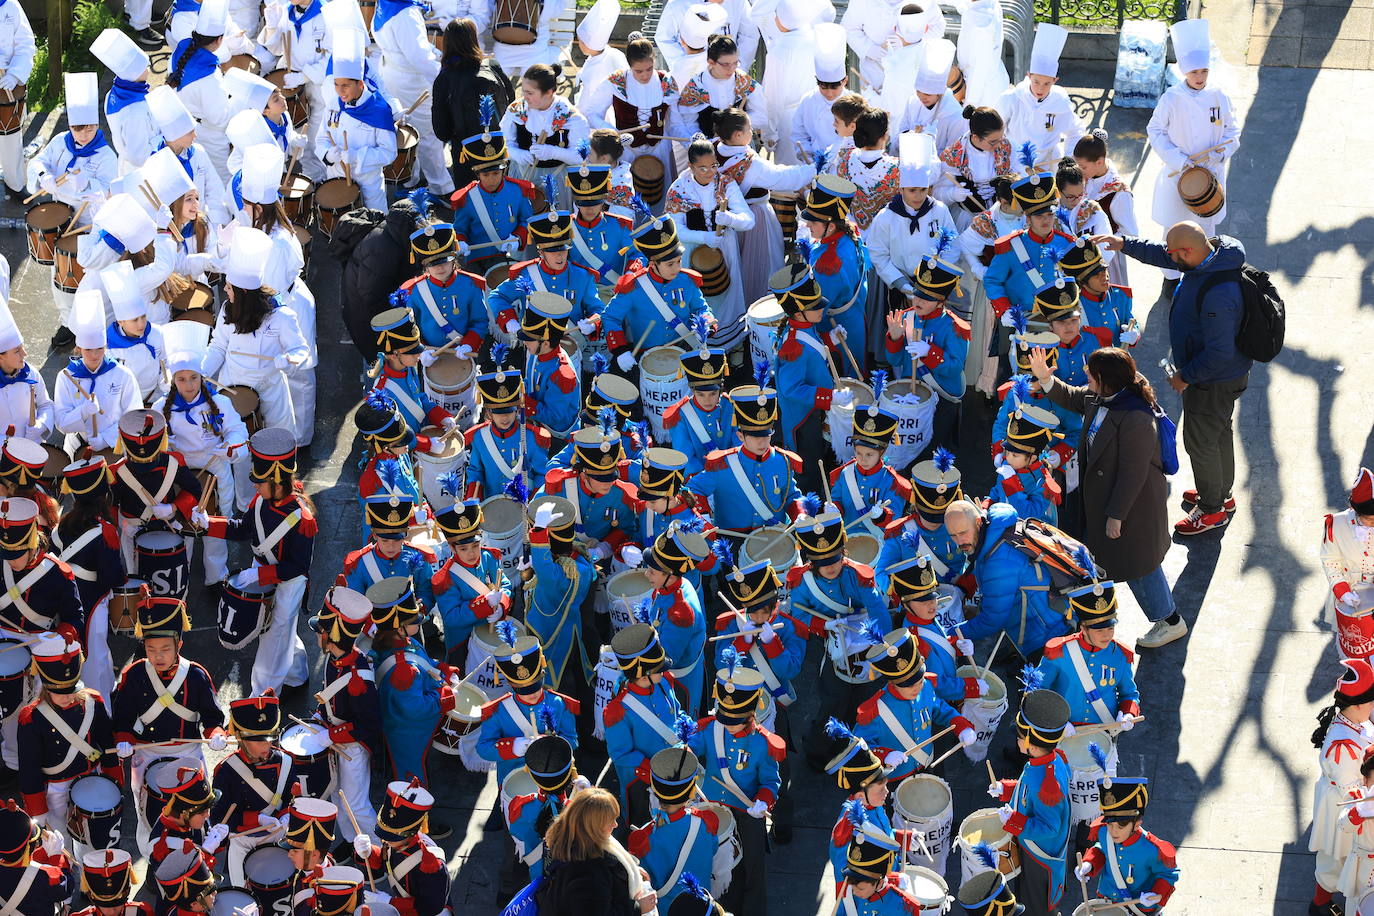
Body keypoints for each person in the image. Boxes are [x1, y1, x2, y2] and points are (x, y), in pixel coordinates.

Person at [1097, 222, 1250, 536]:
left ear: (1189, 252)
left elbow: (1219, 352)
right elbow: (1164, 254)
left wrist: (1185, 377)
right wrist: (1123, 243)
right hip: (1221, 376)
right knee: (1218, 433)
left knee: (1201, 442)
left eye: (1174, 253)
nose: (1169, 256)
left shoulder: (1218, 293)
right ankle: (1220, 494)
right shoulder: (1208, 257)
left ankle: (1210, 511)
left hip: (1211, 380)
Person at [1027, 345, 1183, 647]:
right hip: (1108, 503)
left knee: (1140, 567)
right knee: (1133, 564)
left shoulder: (1136, 419)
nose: (1086, 373)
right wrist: (1046, 379)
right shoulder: (1104, 396)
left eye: (1091, 372)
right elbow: (1073, 397)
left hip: (1131, 509)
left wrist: (1116, 515)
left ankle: (1169, 620)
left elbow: (1132, 473)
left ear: (1105, 379)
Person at [195, 427, 315, 695]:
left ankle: (261, 701)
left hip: (287, 583)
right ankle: (296, 676)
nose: (254, 486)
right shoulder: (260, 501)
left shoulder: (303, 520)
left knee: (272, 641)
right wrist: (209, 524)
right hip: (261, 570)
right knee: (280, 633)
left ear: (276, 479)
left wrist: (260, 576)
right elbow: (242, 528)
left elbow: (297, 567)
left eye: (259, 481)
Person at [111, 596, 227, 854]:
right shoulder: (135, 675)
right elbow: (123, 715)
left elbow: (212, 716)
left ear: (179, 645)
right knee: (145, 816)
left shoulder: (196, 675)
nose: (157, 656)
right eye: (151, 649)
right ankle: (152, 860)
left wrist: (216, 733)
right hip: (146, 752)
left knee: (195, 816)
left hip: (187, 753)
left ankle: (195, 861)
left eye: (164, 649)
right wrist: (122, 736)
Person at [200, 229, 309, 497]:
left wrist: (286, 360)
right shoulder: (228, 310)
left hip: (271, 391)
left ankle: (283, 498)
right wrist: (200, 373)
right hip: (233, 392)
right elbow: (217, 347)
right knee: (239, 451)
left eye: (229, 287)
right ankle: (247, 503)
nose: (225, 291)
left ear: (244, 293)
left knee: (278, 448)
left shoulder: (281, 316)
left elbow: (300, 349)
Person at [786, 505, 889, 769]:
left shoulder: (858, 575)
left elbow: (878, 609)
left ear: (843, 553)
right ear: (811, 560)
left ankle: (856, 748)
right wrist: (822, 624)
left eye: (834, 559)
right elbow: (798, 612)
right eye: (822, 562)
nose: (829, 567)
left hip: (866, 644)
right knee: (833, 700)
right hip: (832, 643)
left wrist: (882, 643)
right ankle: (819, 750)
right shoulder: (802, 581)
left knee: (866, 699)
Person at [1145, 18, 1239, 285]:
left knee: (1205, 229)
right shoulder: (1172, 98)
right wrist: (1179, 160)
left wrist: (1221, 154)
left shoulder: (1219, 96)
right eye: (1195, 72)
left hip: (1210, 174)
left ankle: (1203, 273)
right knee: (1174, 228)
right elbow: (1155, 130)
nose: (1200, 78)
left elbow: (1233, 131)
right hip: (1180, 174)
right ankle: (1171, 278)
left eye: (1204, 72)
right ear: (1185, 72)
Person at [686, 665, 781, 915]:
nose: (728, 725)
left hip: (747, 811)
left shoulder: (763, 743)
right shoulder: (711, 728)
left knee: (752, 869)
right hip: (714, 810)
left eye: (735, 720)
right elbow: (692, 745)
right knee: (716, 868)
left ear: (750, 714)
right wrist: (684, 751)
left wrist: (763, 801)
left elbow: (771, 782)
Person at [16, 633, 119, 858]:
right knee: (58, 844)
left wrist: (114, 780)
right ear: (45, 685)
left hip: (91, 780)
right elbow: (30, 768)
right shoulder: (31, 718)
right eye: (59, 692)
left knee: (93, 841)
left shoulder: (93, 701)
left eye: (71, 690)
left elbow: (107, 743)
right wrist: (37, 809)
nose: (67, 697)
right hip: (55, 790)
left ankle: (91, 882)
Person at [945, 498, 1070, 659]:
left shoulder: (998, 561)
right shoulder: (996, 532)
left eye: (963, 533)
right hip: (1053, 619)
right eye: (953, 536)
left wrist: (953, 633)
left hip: (1045, 637)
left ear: (978, 523)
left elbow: (992, 620)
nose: (959, 542)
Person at [988, 686, 1073, 916]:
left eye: (1019, 737)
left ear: (1032, 745)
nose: (1017, 740)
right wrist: (1005, 789)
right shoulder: (1050, 761)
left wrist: (1014, 821)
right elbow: (1028, 792)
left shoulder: (1048, 782)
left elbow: (1049, 827)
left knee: (1034, 905)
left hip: (1039, 854)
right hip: (1032, 845)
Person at [664, 137, 754, 353]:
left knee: (728, 295)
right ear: (691, 166)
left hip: (725, 249)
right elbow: (674, 230)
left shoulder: (726, 183)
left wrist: (730, 219)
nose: (709, 172)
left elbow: (749, 220)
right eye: (702, 168)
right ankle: (701, 346)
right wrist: (704, 238)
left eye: (713, 165)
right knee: (698, 299)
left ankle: (733, 347)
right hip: (692, 252)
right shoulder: (679, 190)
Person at [854, 628, 977, 782]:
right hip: (895, 777)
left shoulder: (926, 686)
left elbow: (939, 708)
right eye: (908, 685)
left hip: (927, 762)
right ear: (893, 683)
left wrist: (961, 725)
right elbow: (860, 748)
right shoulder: (875, 711)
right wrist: (884, 755)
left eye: (919, 682)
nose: (917, 688)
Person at [882, 241, 969, 457]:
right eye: (917, 293)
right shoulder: (906, 318)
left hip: (942, 396)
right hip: (912, 397)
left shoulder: (955, 327)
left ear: (941, 301)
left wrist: (929, 353)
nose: (918, 299)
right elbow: (893, 361)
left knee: (936, 450)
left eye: (926, 297)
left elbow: (954, 368)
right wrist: (894, 338)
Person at [307, 586, 379, 840]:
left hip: (354, 746)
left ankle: (379, 849)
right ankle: (352, 841)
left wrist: (332, 735)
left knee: (356, 804)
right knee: (339, 799)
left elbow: (368, 725)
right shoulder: (335, 658)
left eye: (320, 631)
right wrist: (320, 718)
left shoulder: (359, 678)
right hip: (337, 736)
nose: (317, 636)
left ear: (330, 634)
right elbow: (329, 694)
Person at [51, 458, 124, 705]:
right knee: (96, 659)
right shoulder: (104, 531)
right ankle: (101, 710)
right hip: (91, 604)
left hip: (59, 602)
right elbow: (111, 578)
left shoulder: (59, 526)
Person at [476, 622, 580, 789]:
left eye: (535, 687)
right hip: (512, 779)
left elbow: (572, 740)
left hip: (552, 778)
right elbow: (483, 748)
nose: (532, 694)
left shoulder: (558, 703)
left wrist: (551, 744)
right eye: (524, 691)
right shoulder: (498, 710)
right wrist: (515, 746)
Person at [686, 385, 804, 533]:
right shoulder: (722, 464)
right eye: (755, 437)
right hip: (732, 540)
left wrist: (800, 513)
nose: (762, 442)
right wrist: (704, 519)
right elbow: (692, 489)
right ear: (741, 436)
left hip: (775, 537)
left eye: (766, 435)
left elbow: (792, 496)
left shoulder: (783, 461)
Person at [602, 213, 713, 369]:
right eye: (670, 264)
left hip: (685, 349)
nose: (677, 268)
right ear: (653, 265)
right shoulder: (634, 286)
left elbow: (701, 308)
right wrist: (620, 350)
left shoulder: (687, 280)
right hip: (646, 356)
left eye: (679, 261)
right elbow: (610, 317)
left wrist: (706, 322)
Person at [604, 623, 686, 827]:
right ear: (641, 674)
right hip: (642, 782)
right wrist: (652, 768)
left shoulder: (664, 681)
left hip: (675, 769)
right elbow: (620, 754)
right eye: (658, 668)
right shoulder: (618, 710)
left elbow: (677, 712)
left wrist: (688, 731)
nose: (664, 670)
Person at [1310, 659, 1374, 916]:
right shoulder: (1342, 746)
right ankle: (1319, 905)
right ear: (1357, 704)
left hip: (1351, 802)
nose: (1372, 706)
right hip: (1343, 807)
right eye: (1370, 701)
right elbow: (1354, 790)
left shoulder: (1356, 723)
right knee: (1335, 858)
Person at [770, 263, 843, 488]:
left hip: (814, 410)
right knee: (809, 463)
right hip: (804, 417)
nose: (821, 309)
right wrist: (829, 398)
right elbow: (791, 389)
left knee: (821, 453)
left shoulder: (806, 326)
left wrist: (830, 339)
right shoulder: (793, 347)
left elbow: (815, 348)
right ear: (798, 310)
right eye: (815, 307)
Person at [370, 0, 453, 198]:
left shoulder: (384, 4)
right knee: (427, 135)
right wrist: (445, 80)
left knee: (407, 129)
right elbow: (419, 57)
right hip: (411, 80)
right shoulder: (406, 13)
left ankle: (411, 179)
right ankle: (441, 188)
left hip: (392, 73)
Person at [207, 692, 290, 886]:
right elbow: (219, 817)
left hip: (278, 833)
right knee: (241, 892)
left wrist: (287, 815)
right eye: (259, 740)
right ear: (241, 739)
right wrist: (257, 819)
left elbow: (292, 799)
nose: (267, 745)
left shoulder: (285, 762)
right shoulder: (226, 771)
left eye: (270, 739)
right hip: (242, 840)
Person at [536, 787, 658, 915]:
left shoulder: (577, 842)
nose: (616, 825)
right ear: (594, 826)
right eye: (611, 820)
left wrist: (631, 871)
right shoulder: (588, 870)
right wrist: (639, 909)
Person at [579, 36, 679, 191]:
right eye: (638, 71)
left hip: (659, 149)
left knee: (661, 196)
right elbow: (591, 113)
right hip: (626, 151)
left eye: (649, 69)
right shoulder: (616, 81)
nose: (645, 75)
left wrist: (690, 142)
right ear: (629, 65)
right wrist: (614, 133)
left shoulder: (666, 82)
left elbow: (676, 122)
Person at [629, 746, 723, 908]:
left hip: (667, 909)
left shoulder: (644, 837)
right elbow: (713, 850)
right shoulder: (706, 821)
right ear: (692, 792)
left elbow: (643, 881)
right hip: (702, 907)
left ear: (655, 793)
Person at [318, 28, 398, 211]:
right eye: (336, 85)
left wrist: (357, 156)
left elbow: (389, 153)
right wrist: (328, 155)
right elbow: (321, 139)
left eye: (345, 85)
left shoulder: (379, 110)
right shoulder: (333, 103)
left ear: (360, 84)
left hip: (369, 186)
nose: (340, 91)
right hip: (337, 182)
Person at [890, 555, 984, 709]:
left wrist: (957, 645)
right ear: (906, 604)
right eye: (922, 600)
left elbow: (940, 644)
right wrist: (972, 687)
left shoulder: (924, 618)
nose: (931, 604)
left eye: (932, 597)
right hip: (939, 706)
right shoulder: (916, 641)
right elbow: (937, 684)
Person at [339, 195, 425, 360]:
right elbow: (372, 298)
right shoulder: (382, 251)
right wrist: (400, 325)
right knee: (378, 364)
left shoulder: (395, 234)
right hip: (368, 320)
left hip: (367, 304)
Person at [1075, 778, 1179, 913]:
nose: (1113, 831)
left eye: (1121, 825)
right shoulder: (1103, 831)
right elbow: (1102, 848)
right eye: (1109, 824)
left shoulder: (1152, 849)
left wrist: (1156, 894)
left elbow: (1168, 874)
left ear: (1137, 824)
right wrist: (1089, 863)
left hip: (1137, 907)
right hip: (1107, 899)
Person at [432, 18, 515, 189]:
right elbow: (512, 104)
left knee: (470, 201)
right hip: (500, 147)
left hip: (465, 152)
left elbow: (441, 129)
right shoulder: (493, 67)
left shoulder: (444, 78)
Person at [431, 500, 512, 667]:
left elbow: (505, 585)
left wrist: (502, 605)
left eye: (475, 545)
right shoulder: (444, 578)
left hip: (490, 632)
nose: (472, 553)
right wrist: (485, 604)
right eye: (463, 549)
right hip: (462, 641)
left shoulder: (489, 557)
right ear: (452, 548)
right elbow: (452, 618)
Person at [352, 782, 452, 915]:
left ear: (409, 833)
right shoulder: (396, 842)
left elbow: (430, 907)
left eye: (392, 837)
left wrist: (389, 902)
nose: (385, 840)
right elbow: (384, 862)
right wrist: (368, 852)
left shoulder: (431, 862)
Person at [798, 176, 869, 363]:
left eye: (813, 223)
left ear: (830, 226)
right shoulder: (849, 232)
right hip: (855, 317)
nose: (807, 225)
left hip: (836, 328)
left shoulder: (829, 264)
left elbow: (818, 308)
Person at [450, 125, 536, 274]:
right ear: (478, 174)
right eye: (486, 175)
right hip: (478, 261)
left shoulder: (518, 190)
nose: (491, 179)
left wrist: (518, 238)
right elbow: (460, 229)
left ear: (503, 171)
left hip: (512, 257)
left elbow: (527, 220)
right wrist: (461, 242)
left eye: (496, 173)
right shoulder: (467, 197)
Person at [504, 735, 586, 887]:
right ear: (570, 773)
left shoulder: (521, 807)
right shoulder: (580, 811)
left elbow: (516, 833)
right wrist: (587, 795)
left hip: (537, 872)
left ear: (533, 778)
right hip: (575, 877)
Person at [996, 24, 1083, 166]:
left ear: (1055, 81)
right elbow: (995, 129)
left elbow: (1075, 131)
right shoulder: (1011, 98)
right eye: (1036, 82)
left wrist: (1068, 158)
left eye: (1047, 84)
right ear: (1029, 75)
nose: (1040, 88)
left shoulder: (1059, 101)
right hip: (1015, 162)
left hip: (1049, 161)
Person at [463, 360, 551, 499]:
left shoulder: (530, 436)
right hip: (492, 506)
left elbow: (541, 473)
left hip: (524, 505)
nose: (505, 418)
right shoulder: (480, 437)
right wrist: (473, 501)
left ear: (516, 411)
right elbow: (475, 472)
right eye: (498, 413)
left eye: (509, 412)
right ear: (490, 414)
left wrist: (535, 502)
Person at [165, 0, 232, 179]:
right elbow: (219, 119)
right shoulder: (211, 77)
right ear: (219, 40)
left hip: (183, 128)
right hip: (209, 134)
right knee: (220, 179)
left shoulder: (180, 50)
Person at [828, 399, 909, 539]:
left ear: (882, 452)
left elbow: (895, 518)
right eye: (858, 453)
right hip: (849, 538)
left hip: (878, 541)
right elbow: (837, 499)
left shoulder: (891, 481)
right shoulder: (845, 473)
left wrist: (882, 515)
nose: (863, 459)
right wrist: (834, 508)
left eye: (869, 455)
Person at [1073, 128, 1138, 288]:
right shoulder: (1089, 176)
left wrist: (1103, 237)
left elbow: (1131, 232)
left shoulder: (1118, 192)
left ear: (1100, 162)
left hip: (1107, 257)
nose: (1079, 171)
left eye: (1083, 167)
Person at [937, 105, 1014, 231]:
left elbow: (1018, 172)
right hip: (968, 217)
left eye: (1001, 137)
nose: (1000, 144)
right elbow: (937, 194)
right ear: (975, 138)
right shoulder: (953, 156)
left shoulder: (1005, 145)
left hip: (1002, 212)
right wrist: (953, 194)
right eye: (993, 141)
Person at [664, 347, 737, 477]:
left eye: (713, 393)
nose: (707, 400)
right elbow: (685, 457)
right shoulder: (680, 414)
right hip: (699, 478)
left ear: (720, 390)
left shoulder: (731, 406)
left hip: (733, 472)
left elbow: (738, 444)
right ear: (692, 391)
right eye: (701, 394)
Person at [1324, 469, 1374, 648]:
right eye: (1369, 519)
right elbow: (1330, 560)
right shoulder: (1336, 524)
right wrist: (1342, 591)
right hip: (1350, 591)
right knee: (1352, 644)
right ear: (1355, 510)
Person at [1059, 236, 1138, 349]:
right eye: (1096, 275)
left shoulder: (1120, 294)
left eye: (1104, 270)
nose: (1104, 277)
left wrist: (1134, 333)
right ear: (1082, 282)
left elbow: (1130, 320)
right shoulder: (1072, 305)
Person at [895, 38, 964, 156]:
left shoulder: (955, 115)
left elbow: (954, 153)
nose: (921, 97)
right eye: (918, 91)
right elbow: (901, 131)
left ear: (939, 92)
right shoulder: (913, 101)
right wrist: (911, 137)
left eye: (927, 94)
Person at [790, 25, 846, 164]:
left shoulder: (853, 103)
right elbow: (799, 134)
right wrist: (807, 156)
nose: (829, 93)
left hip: (844, 164)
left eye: (834, 87)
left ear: (845, 81)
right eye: (823, 87)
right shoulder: (808, 100)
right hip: (813, 162)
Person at [0, 302, 53, 443]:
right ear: (1, 356)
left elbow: (46, 405)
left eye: (22, 347)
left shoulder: (31, 374)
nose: (25, 354)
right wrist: (4, 443)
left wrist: (40, 425)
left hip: (33, 449)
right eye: (17, 351)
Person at [834, 837, 926, 914]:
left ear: (879, 882)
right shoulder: (849, 888)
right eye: (853, 888)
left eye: (860, 889)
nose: (855, 892)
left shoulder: (903, 905)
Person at [0, 0, 33, 200]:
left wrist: (15, 74)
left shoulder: (11, 5)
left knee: (11, 141)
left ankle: (14, 184)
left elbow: (26, 43)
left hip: (7, 79)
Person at [572, 0, 626, 109]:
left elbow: (587, 102)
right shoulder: (609, 53)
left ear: (588, 44)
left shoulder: (598, 68)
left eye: (580, 41)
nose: (579, 44)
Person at [72, 849, 154, 916]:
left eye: (118, 902)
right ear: (90, 895)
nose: (112, 911)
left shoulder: (143, 913)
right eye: (104, 905)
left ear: (128, 891)